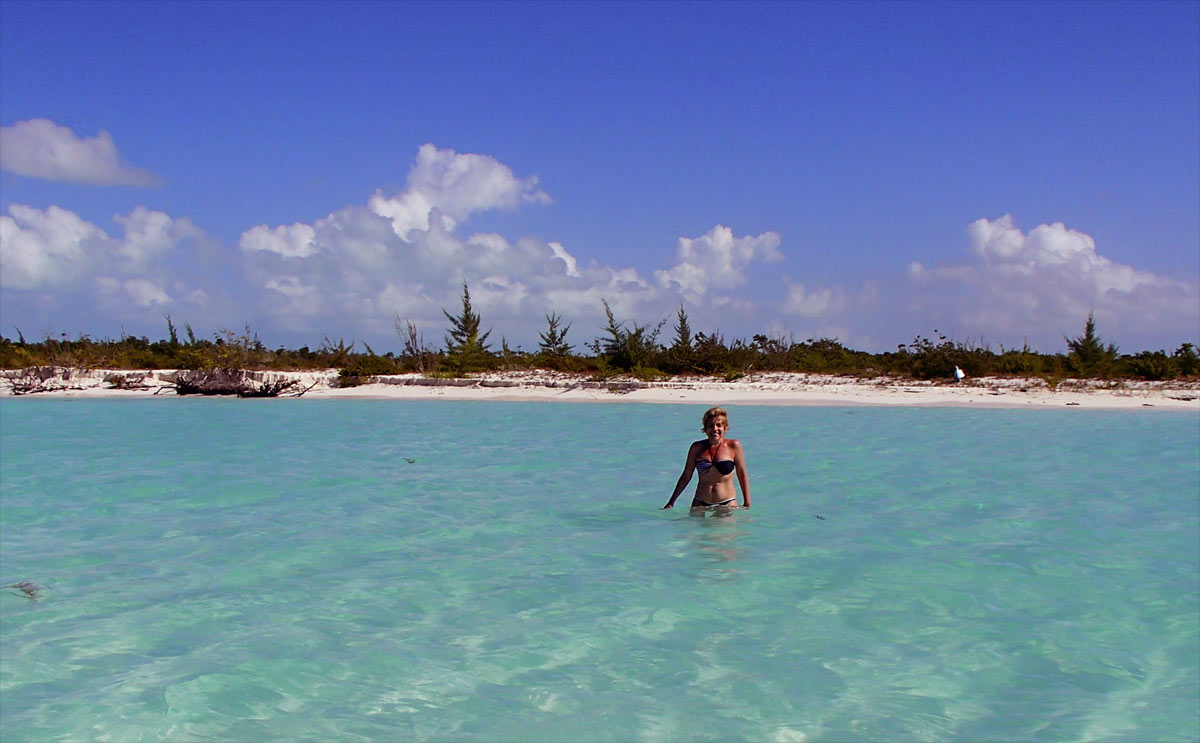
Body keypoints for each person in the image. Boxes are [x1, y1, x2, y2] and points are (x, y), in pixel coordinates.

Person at [662, 406, 751, 511]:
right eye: (710, 426)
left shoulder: (734, 446)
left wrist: (747, 502)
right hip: (700, 502)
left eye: (719, 425)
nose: (715, 429)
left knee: (723, 528)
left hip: (726, 503)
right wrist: (671, 501)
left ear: (725, 428)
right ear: (705, 429)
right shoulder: (696, 448)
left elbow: (742, 474)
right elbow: (686, 476)